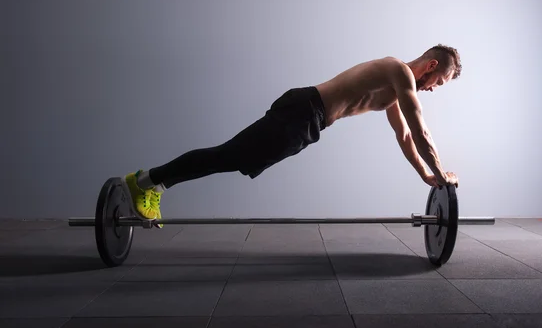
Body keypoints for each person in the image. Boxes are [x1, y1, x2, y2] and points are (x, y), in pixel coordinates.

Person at [124, 44, 462, 224]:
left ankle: (153, 182)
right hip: (305, 111)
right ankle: (147, 182)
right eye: (439, 83)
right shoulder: (398, 72)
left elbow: (405, 136)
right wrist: (440, 174)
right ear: (432, 67)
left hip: (308, 118)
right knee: (227, 156)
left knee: (231, 158)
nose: (434, 90)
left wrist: (426, 176)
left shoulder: (392, 89)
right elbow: (420, 128)